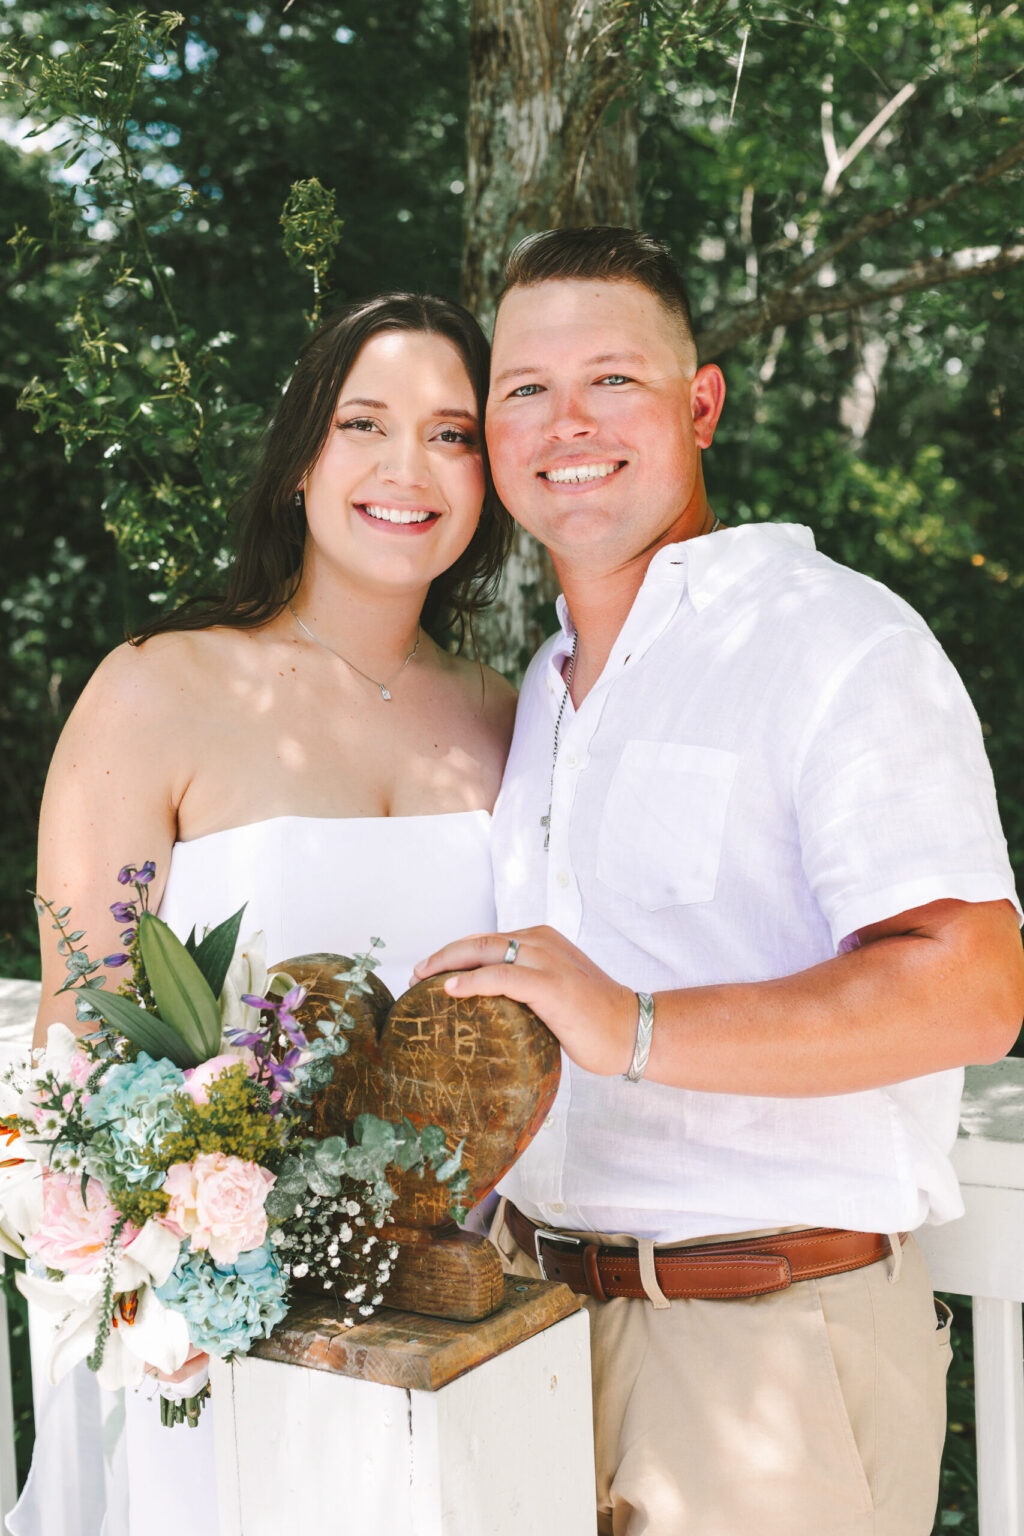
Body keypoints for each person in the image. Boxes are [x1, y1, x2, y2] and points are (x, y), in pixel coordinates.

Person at [415, 228, 1024, 1536]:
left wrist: (635, 1026)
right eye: (524, 388)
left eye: (612, 381)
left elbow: (974, 988)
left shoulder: (833, 638)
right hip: (530, 1332)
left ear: (700, 405)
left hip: (762, 1352)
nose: (565, 421)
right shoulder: (542, 690)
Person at [15, 292, 515, 1536]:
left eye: (454, 434)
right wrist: (167, 1271)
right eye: (366, 423)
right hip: (212, 1340)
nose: (411, 468)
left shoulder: (517, 719)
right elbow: (77, 1044)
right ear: (299, 458)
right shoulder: (158, 688)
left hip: (458, 1331)